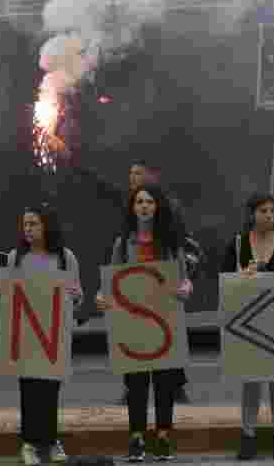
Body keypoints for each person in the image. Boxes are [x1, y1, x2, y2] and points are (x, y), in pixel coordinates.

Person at [95, 185, 192, 462]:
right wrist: (101, 296)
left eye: (149, 201)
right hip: (133, 321)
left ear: (158, 206)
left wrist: (185, 289)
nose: (144, 206)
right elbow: (110, 282)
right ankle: (136, 437)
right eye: (139, 201)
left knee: (164, 383)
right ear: (133, 207)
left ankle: (163, 436)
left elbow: (184, 280)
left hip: (165, 319)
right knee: (136, 383)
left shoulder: (171, 243)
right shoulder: (123, 243)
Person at [1, 205, 82, 466]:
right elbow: (5, 294)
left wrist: (75, 296)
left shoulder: (64, 257)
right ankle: (29, 443)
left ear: (46, 225)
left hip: (53, 336)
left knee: (50, 391)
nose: (28, 228)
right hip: (25, 337)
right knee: (29, 391)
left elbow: (77, 294)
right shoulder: (15, 257)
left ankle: (50, 441)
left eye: (33, 223)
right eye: (25, 224)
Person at [222, 194, 274, 461]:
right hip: (247, 322)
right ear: (251, 213)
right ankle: (247, 435)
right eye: (263, 211)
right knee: (250, 381)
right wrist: (241, 277)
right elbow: (224, 281)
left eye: (272, 211)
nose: (269, 216)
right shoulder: (239, 244)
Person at [116, 162, 195, 405]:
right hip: (137, 295)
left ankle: (176, 387)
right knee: (137, 340)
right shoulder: (126, 224)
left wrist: (183, 280)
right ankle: (133, 389)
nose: (133, 178)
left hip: (164, 290)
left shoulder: (169, 208)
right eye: (130, 174)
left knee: (168, 337)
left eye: (138, 173)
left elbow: (180, 245)